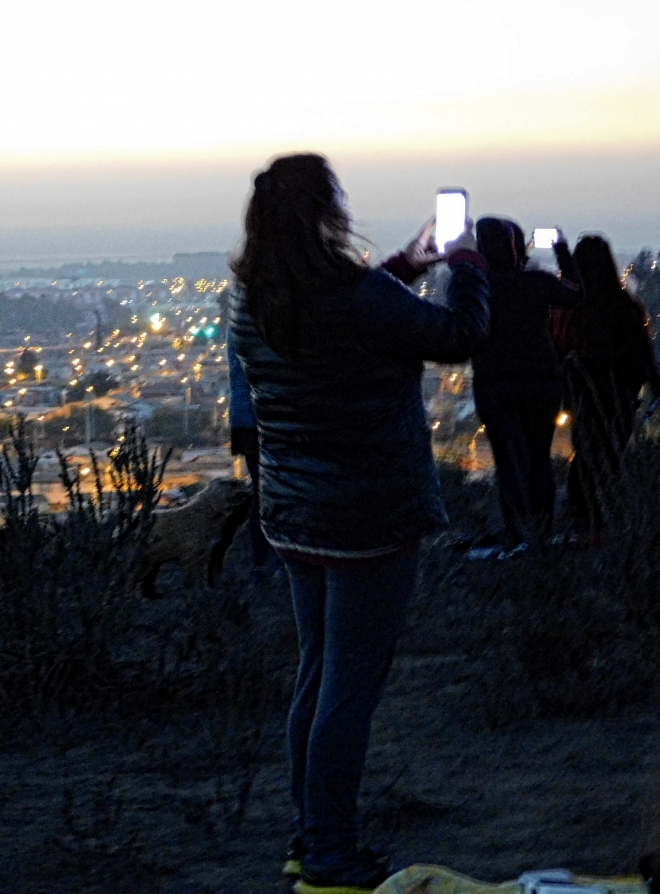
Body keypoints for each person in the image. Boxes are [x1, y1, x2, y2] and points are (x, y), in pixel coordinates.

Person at [229, 153, 489, 893]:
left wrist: (408, 262)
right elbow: (460, 335)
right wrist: (465, 264)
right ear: (327, 213)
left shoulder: (253, 299)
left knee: (316, 675)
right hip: (368, 516)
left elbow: (354, 321)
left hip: (295, 516)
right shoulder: (356, 293)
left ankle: (309, 835)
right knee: (349, 687)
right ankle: (332, 856)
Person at [470, 218, 583, 555]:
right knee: (539, 456)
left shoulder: (477, 285)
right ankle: (542, 529)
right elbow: (576, 293)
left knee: (507, 460)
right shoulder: (536, 282)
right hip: (540, 381)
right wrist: (562, 248)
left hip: (494, 383)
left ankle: (516, 532)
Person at [553, 234, 660, 530]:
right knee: (610, 455)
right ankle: (602, 520)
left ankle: (585, 520)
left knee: (587, 455)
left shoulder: (569, 310)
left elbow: (557, 351)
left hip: (583, 398)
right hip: (620, 396)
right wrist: (653, 385)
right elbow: (643, 352)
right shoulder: (625, 307)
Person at [225, 317, 279, 582]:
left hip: (247, 419)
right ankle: (270, 563)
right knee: (274, 494)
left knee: (263, 493)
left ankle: (262, 563)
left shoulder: (241, 310)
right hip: (265, 418)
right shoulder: (262, 312)